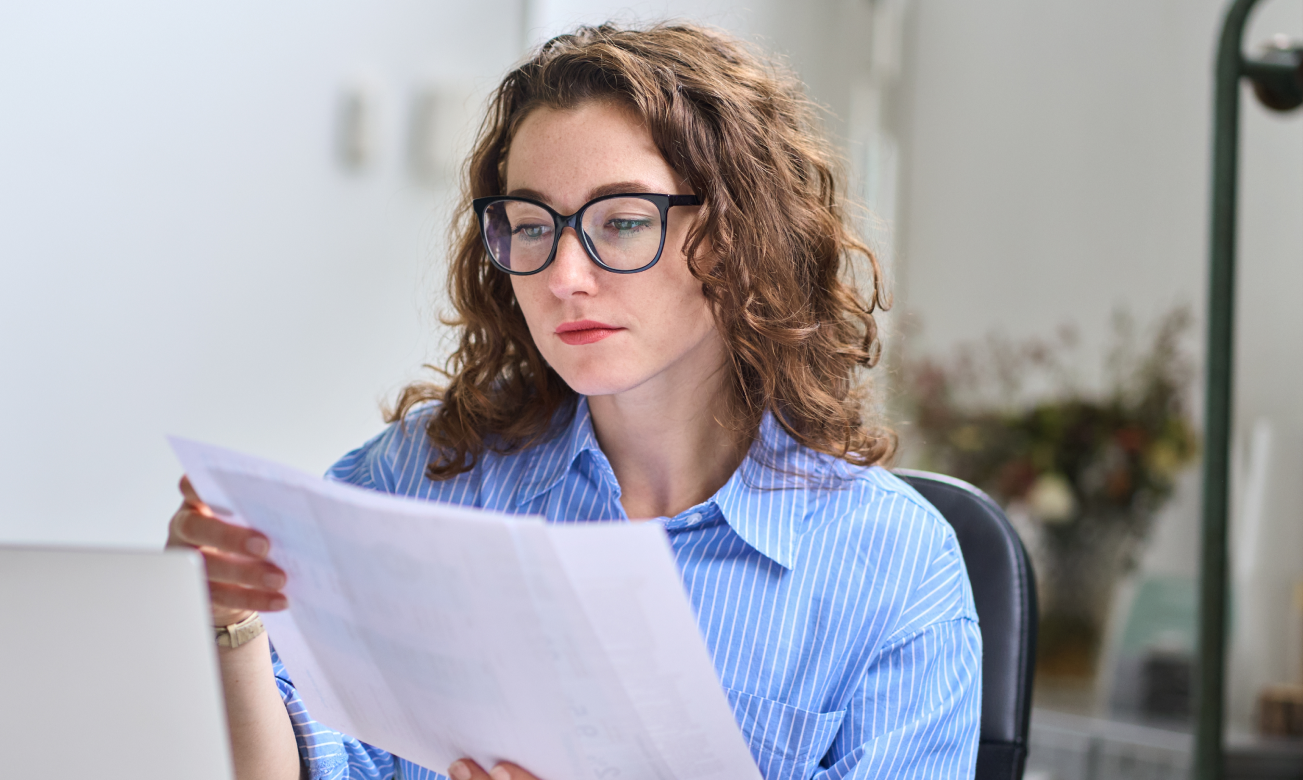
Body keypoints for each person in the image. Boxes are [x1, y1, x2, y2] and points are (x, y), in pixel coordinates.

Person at [167, 22, 981, 780]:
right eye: (529, 225)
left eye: (622, 222)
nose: (562, 277)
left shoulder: (896, 568)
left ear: (737, 237)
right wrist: (228, 625)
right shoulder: (424, 474)